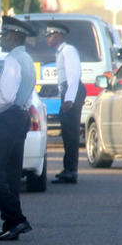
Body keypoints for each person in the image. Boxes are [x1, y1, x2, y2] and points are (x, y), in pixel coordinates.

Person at [0, 15, 37, 241]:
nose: (1, 40)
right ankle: (11, 223)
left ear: (14, 36)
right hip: (21, 116)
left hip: (8, 117)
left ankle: (17, 218)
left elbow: (5, 98)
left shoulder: (13, 60)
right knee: (11, 172)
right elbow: (26, 93)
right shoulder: (27, 59)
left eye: (4, 36)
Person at [46, 24, 86, 184]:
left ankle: (71, 171)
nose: (47, 38)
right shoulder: (61, 52)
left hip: (73, 92)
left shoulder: (68, 50)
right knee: (67, 132)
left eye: (50, 35)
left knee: (71, 133)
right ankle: (68, 169)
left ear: (59, 35)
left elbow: (73, 75)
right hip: (69, 92)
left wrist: (69, 99)